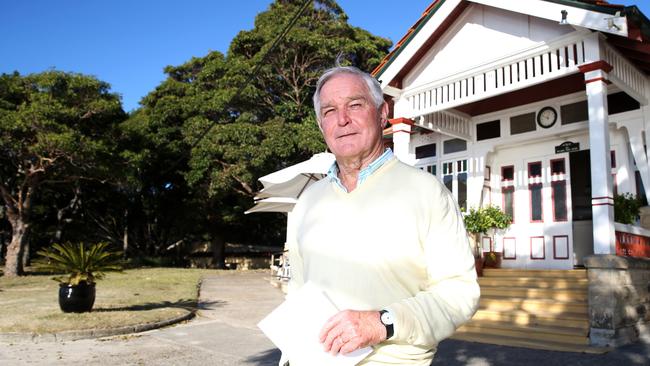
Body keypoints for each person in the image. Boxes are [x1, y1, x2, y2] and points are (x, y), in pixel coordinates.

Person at [282, 66, 480, 365]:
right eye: (329, 110)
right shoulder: (307, 201)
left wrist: (383, 323)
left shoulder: (426, 191)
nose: (342, 119)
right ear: (321, 125)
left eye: (355, 105)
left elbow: (459, 294)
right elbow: (297, 292)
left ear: (382, 111)